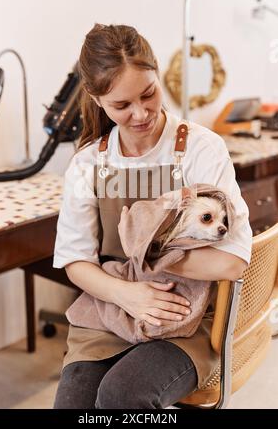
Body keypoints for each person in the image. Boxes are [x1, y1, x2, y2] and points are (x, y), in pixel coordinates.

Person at [52, 23, 252, 409]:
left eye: (148, 94)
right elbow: (76, 262)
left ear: (158, 73)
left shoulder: (201, 149)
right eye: (122, 106)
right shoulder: (87, 164)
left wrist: (147, 255)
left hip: (187, 320)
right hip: (109, 311)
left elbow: (232, 261)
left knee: (121, 398)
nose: (141, 114)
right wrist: (129, 294)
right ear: (96, 100)